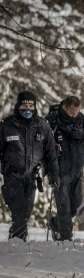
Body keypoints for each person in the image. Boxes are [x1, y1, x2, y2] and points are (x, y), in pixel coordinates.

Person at [0, 92, 59, 240]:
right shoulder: (6, 126)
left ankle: (15, 238)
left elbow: (50, 154)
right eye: (24, 106)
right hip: (12, 176)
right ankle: (19, 244)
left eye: (31, 106)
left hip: (32, 176)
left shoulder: (42, 126)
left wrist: (53, 175)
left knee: (26, 213)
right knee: (19, 211)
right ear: (18, 106)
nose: (28, 109)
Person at [46, 96, 84, 241]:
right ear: (64, 108)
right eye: (72, 113)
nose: (75, 116)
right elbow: (40, 141)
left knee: (76, 207)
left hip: (77, 171)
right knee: (64, 209)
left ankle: (55, 224)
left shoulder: (81, 119)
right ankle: (65, 239)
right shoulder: (52, 121)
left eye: (77, 112)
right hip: (59, 172)